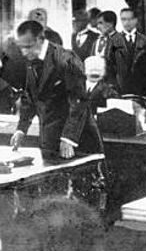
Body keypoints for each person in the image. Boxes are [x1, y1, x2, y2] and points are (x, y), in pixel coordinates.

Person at [9, 21, 101, 157]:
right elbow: (29, 98)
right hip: (49, 138)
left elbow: (79, 101)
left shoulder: (66, 59)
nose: (24, 52)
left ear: (40, 39)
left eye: (28, 47)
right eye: (21, 47)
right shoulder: (31, 59)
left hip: (77, 140)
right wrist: (21, 129)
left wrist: (68, 138)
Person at [107, 8, 146, 96]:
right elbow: (109, 66)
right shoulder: (113, 40)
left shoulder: (145, 41)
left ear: (136, 20)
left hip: (142, 88)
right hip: (120, 88)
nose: (126, 23)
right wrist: (113, 87)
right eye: (123, 19)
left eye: (130, 19)